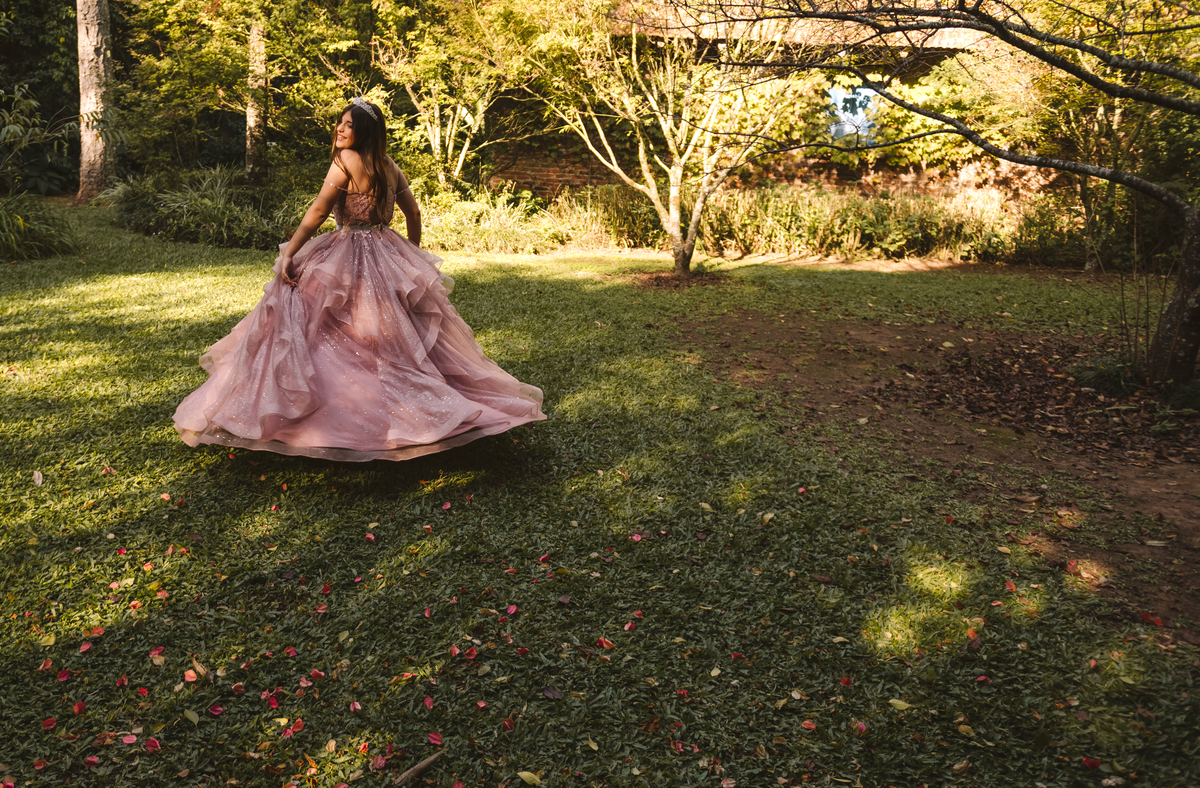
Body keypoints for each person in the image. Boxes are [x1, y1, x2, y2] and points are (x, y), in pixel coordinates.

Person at [172, 97, 546, 461]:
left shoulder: (344, 161)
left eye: (350, 125)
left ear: (363, 132)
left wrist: (290, 251)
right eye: (341, 122)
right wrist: (410, 254)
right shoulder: (387, 164)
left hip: (347, 248)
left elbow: (319, 210)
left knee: (322, 322)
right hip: (386, 248)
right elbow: (413, 212)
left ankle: (334, 414)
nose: (340, 129)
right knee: (387, 333)